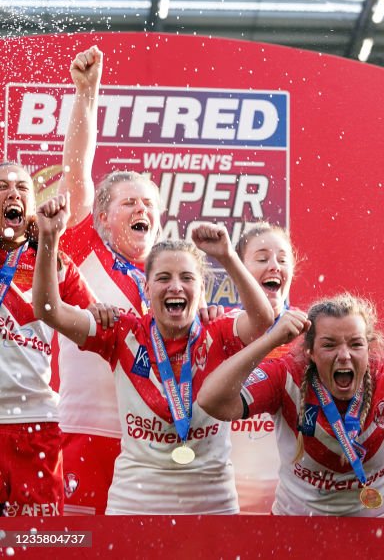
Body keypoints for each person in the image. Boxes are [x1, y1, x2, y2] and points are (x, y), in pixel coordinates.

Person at [33, 194, 275, 515]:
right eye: (163, 278)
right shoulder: (121, 332)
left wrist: (228, 257)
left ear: (201, 290)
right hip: (135, 503)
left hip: (211, 505)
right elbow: (50, 312)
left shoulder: (217, 330)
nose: (175, 287)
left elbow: (262, 321)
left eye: (187, 278)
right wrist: (49, 239)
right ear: (147, 290)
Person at [197, 294, 384, 516]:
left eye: (356, 344)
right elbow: (211, 400)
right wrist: (270, 340)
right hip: (297, 532)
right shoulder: (285, 375)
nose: (344, 355)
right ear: (309, 352)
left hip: (381, 529)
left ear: (370, 348)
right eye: (329, 345)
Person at [56, 45, 164, 515]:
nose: (143, 210)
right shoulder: (83, 249)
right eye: (130, 203)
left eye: (150, 206)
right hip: (84, 432)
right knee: (77, 546)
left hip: (150, 443)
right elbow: (78, 173)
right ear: (100, 215)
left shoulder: (170, 281)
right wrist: (87, 95)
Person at [0, 162, 93, 516]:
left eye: (22, 187)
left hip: (36, 422)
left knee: (39, 544)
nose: (13, 193)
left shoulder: (54, 261)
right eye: (2, 187)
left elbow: (101, 321)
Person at [230, 223, 297, 513]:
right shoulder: (217, 331)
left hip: (289, 504)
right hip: (225, 504)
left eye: (282, 260)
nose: (274, 266)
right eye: (261, 258)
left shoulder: (312, 339)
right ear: (239, 272)